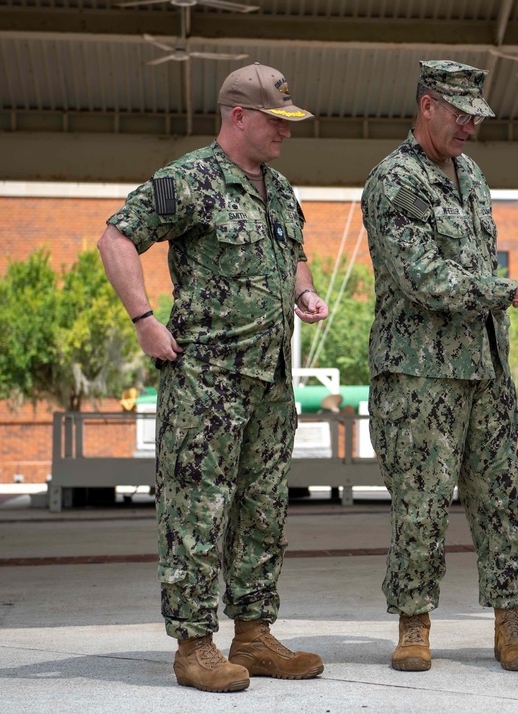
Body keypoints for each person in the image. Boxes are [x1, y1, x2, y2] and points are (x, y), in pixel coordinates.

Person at [97, 63, 329, 693]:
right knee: (197, 508)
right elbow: (117, 237)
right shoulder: (190, 179)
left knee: (263, 510)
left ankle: (252, 636)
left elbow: (295, 253)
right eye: (275, 121)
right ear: (238, 116)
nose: (285, 132)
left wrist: (304, 292)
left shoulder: (279, 189)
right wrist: (145, 320)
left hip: (270, 380)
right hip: (207, 380)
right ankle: (194, 643)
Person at [361, 60, 518, 674]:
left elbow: (473, 270)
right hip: (421, 376)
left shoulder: (471, 176)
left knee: (503, 500)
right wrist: (511, 292)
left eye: (476, 115)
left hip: (485, 371)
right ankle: (414, 622)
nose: (470, 125)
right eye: (460, 112)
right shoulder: (395, 181)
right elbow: (425, 279)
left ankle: (511, 622)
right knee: (421, 503)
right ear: (428, 105)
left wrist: (509, 302)